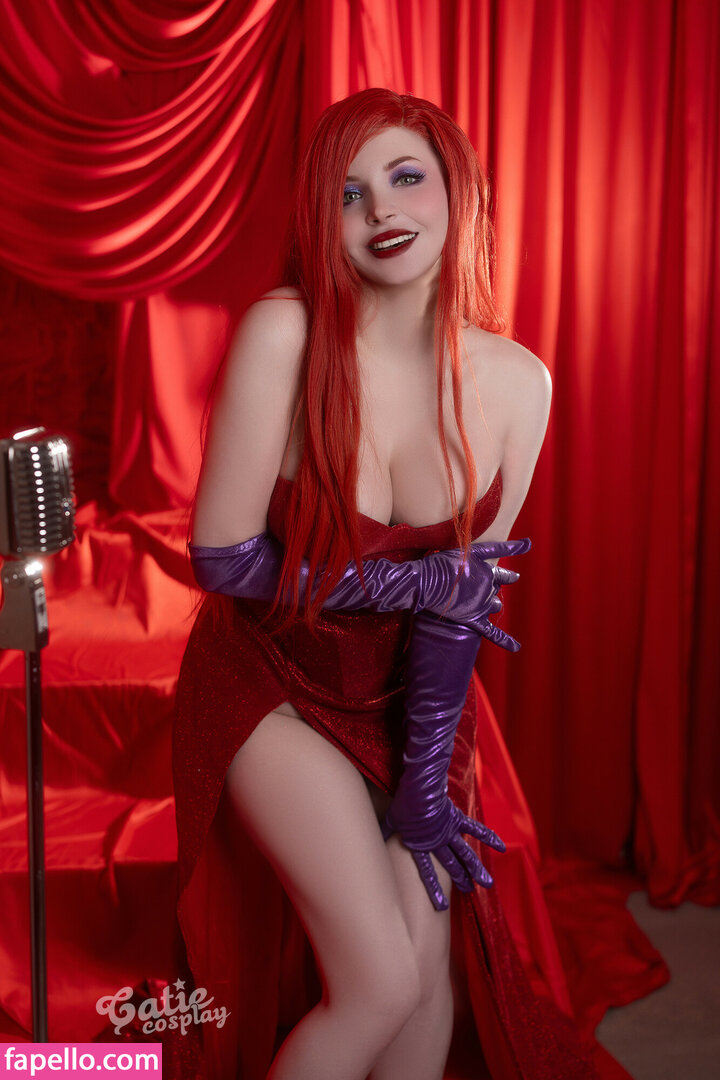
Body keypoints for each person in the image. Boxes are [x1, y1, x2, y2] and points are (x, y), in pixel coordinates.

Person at [172, 89, 594, 1080]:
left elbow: (460, 613)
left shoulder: (518, 383)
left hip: (407, 696)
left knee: (431, 977)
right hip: (269, 684)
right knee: (378, 982)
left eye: (407, 177)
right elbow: (223, 559)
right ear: (323, 218)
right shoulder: (285, 332)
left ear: (458, 190)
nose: (382, 211)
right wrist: (408, 587)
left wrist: (426, 781)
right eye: (349, 194)